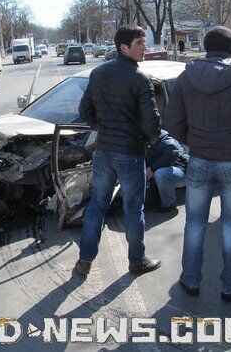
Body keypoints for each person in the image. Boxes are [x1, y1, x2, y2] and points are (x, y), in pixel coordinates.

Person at [165, 26, 231, 301]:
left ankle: (191, 280)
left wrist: (194, 141)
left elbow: (172, 122)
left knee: (194, 224)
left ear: (205, 47)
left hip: (199, 159)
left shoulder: (187, 77)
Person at [76, 25, 162, 276]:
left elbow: (84, 111)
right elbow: (152, 123)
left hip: (104, 150)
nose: (144, 48)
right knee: (134, 209)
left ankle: (85, 261)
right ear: (123, 47)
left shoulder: (99, 73)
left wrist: (103, 128)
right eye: (139, 43)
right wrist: (147, 140)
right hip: (129, 152)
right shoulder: (139, 78)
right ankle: (137, 262)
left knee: (97, 205)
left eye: (144, 42)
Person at [145, 129, 188, 211]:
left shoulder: (162, 136)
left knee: (160, 174)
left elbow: (173, 152)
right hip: (169, 171)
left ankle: (169, 204)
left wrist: (152, 168)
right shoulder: (143, 139)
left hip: (183, 172)